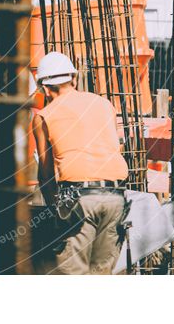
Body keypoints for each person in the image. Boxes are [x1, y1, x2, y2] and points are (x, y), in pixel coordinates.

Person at [31, 51, 129, 275]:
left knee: (74, 274)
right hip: (116, 196)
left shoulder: (43, 116)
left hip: (79, 199)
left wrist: (57, 211)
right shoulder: (104, 105)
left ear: (44, 88)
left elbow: (45, 175)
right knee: (102, 274)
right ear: (74, 79)